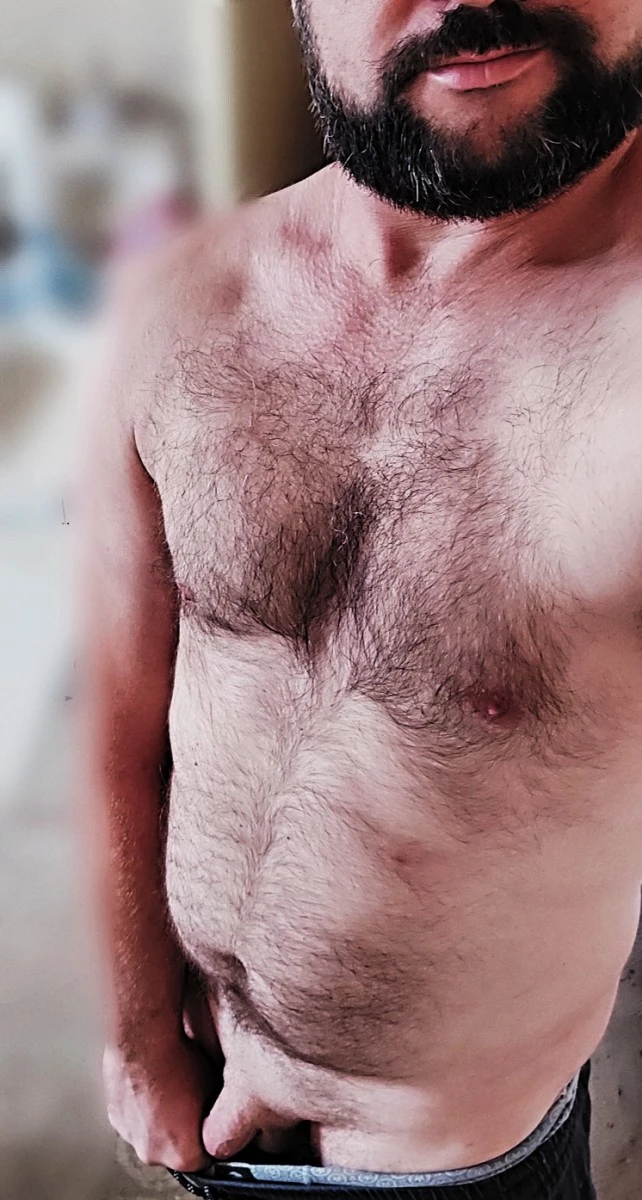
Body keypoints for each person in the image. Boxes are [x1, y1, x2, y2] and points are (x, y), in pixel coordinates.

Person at [85, 2, 642, 1197]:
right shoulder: (179, 295)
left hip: (461, 1170)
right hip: (205, 1105)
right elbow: (119, 714)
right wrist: (134, 1036)